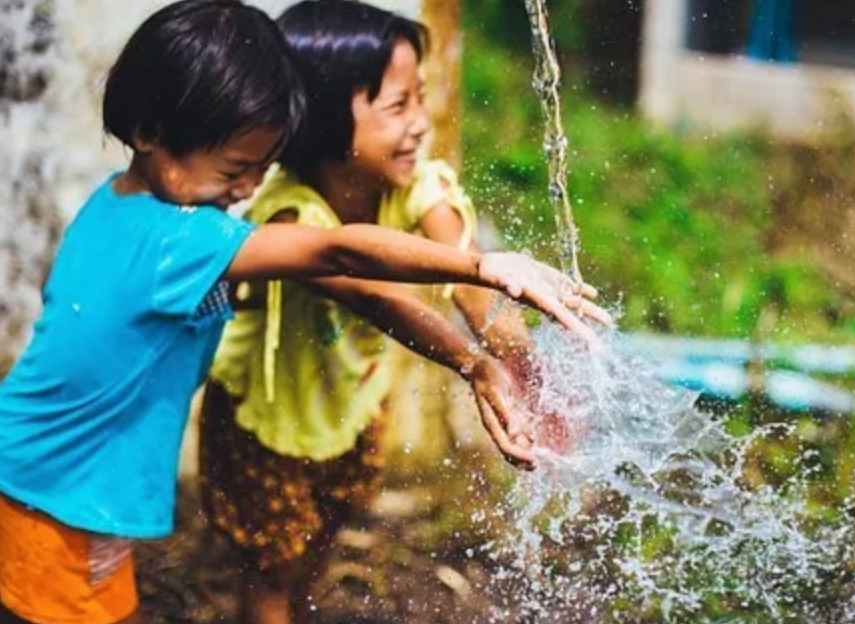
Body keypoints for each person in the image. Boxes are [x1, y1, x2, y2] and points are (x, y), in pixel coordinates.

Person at [0, 2, 604, 623]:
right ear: (151, 132)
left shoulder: (119, 206)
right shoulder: (176, 239)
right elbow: (336, 249)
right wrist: (482, 267)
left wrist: (490, 347)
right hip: (54, 488)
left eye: (261, 168)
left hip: (51, 474)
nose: (245, 191)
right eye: (236, 170)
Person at [197, 3, 572, 622]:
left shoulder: (416, 184)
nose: (421, 124)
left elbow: (470, 275)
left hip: (355, 400)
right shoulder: (289, 212)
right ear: (322, 119)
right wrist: (469, 363)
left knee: (327, 530)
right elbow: (375, 297)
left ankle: (297, 607)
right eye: (398, 107)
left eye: (420, 99)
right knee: (271, 565)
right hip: (262, 415)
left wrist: (521, 361)